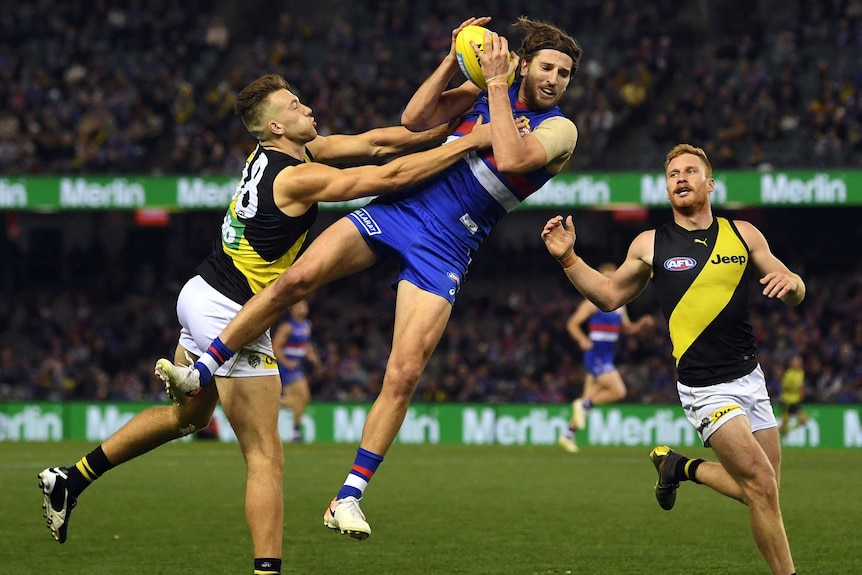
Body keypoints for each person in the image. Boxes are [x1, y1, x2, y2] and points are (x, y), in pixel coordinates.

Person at [38, 72, 494, 575]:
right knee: (265, 458)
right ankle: (267, 571)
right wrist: (473, 143)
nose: (308, 108)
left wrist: (447, 133)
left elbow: (377, 142)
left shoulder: (292, 155)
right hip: (232, 310)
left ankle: (72, 478)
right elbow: (385, 178)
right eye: (295, 105)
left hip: (202, 292)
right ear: (276, 126)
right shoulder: (297, 176)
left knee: (188, 418)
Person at [156, 16, 581, 540]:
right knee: (295, 280)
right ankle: (204, 369)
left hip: (449, 245)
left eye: (564, 73)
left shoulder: (560, 128)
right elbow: (414, 117)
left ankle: (349, 496)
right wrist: (455, 59)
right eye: (547, 67)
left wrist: (494, 85)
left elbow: (512, 156)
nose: (555, 79)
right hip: (399, 208)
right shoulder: (487, 90)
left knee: (404, 372)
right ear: (525, 63)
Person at [541, 143, 804, 575]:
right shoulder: (651, 244)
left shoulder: (744, 234)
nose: (680, 178)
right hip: (705, 385)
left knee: (763, 488)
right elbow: (608, 296)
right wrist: (569, 257)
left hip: (750, 377)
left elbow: (794, 287)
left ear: (709, 183)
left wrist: (791, 284)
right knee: (760, 486)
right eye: (672, 174)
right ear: (667, 189)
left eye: (689, 171)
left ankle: (679, 467)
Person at [557, 262, 654, 453]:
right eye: (606, 276)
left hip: (606, 356)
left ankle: (567, 435)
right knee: (618, 391)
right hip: (596, 356)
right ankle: (583, 404)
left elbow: (627, 328)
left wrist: (641, 325)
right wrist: (582, 339)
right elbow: (572, 324)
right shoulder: (592, 301)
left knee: (589, 397)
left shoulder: (619, 304)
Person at [272, 299, 320, 443]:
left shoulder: (306, 325)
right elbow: (275, 347)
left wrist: (311, 354)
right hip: (288, 368)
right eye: (299, 306)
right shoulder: (287, 327)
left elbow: (304, 344)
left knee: (302, 399)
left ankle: (295, 431)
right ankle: (295, 430)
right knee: (302, 397)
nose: (302, 308)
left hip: (297, 366)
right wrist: (286, 362)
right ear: (292, 309)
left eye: (304, 305)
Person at [779, 354, 808, 436]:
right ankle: (782, 432)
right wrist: (793, 388)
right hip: (787, 401)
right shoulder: (789, 374)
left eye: (799, 361)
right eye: (795, 361)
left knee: (803, 420)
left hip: (796, 400)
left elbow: (801, 385)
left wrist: (802, 392)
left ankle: (785, 431)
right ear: (792, 363)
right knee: (784, 424)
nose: (797, 363)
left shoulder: (801, 373)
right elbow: (783, 388)